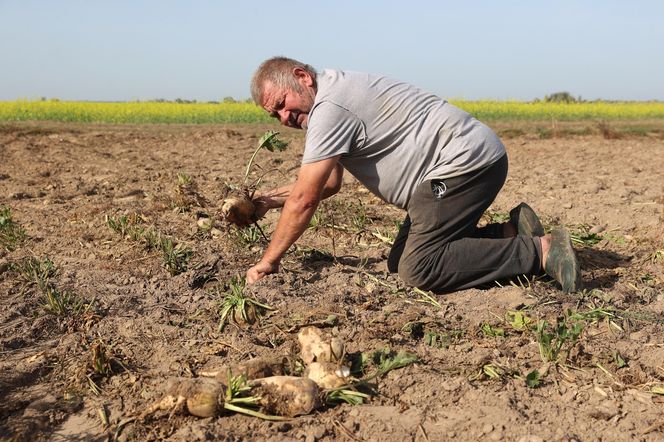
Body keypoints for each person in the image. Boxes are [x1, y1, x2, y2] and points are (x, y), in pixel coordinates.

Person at [243, 56, 582, 293]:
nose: (285, 117)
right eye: (275, 115)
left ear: (302, 77)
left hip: (461, 168)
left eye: (283, 103)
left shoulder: (329, 109)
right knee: (400, 261)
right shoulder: (332, 93)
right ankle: (509, 232)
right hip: (459, 167)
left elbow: (306, 198)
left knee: (420, 267)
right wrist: (265, 201)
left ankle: (542, 251)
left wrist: (268, 263)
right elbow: (329, 183)